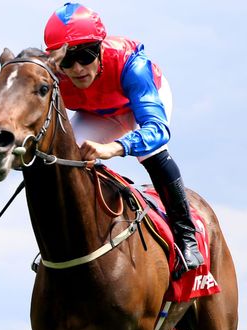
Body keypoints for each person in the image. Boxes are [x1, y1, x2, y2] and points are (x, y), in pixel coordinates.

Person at [43, 3, 203, 277]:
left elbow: (157, 130)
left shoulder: (134, 66)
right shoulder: (51, 73)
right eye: (67, 61)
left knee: (152, 154)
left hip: (140, 102)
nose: (78, 68)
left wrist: (113, 148)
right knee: (65, 162)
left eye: (86, 55)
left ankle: (186, 237)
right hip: (97, 112)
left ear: (101, 48)